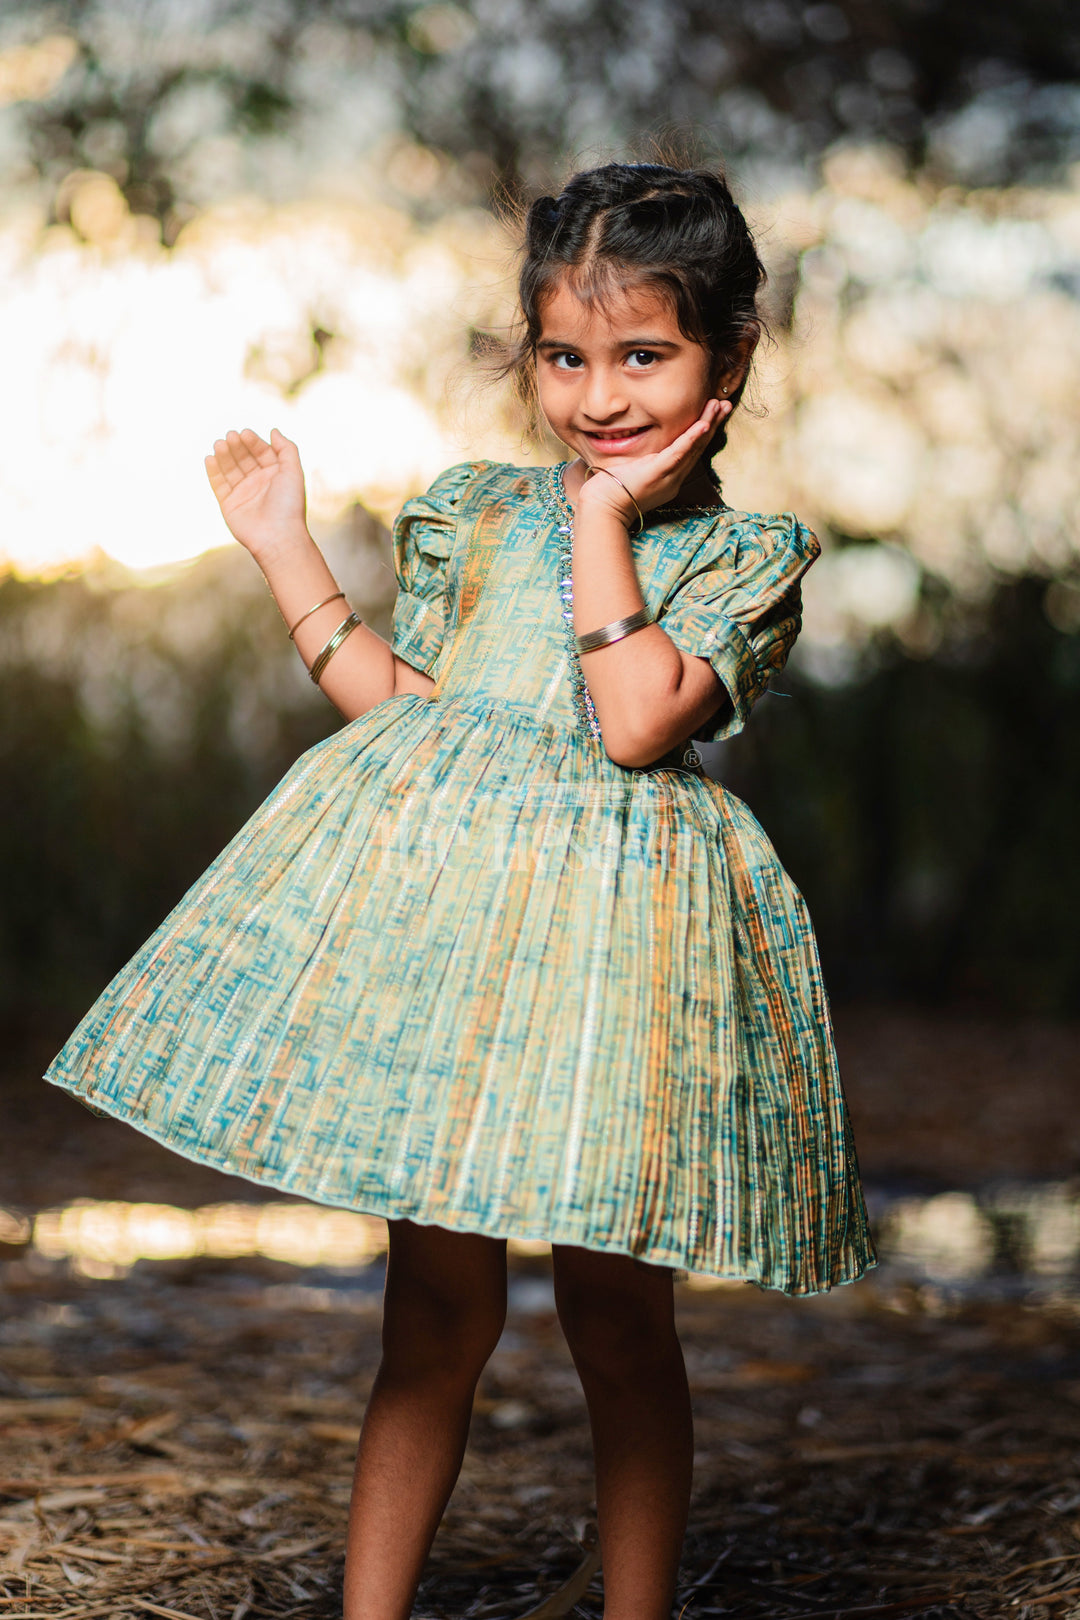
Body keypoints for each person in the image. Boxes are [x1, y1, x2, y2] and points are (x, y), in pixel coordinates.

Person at [44, 161, 876, 1620]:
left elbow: (632, 720)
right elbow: (407, 712)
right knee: (433, 1310)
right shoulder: (478, 515)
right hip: (462, 963)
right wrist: (286, 547)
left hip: (622, 963)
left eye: (644, 355)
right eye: (566, 356)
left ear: (728, 360)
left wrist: (608, 518)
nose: (600, 395)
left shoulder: (749, 557)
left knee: (619, 1318)